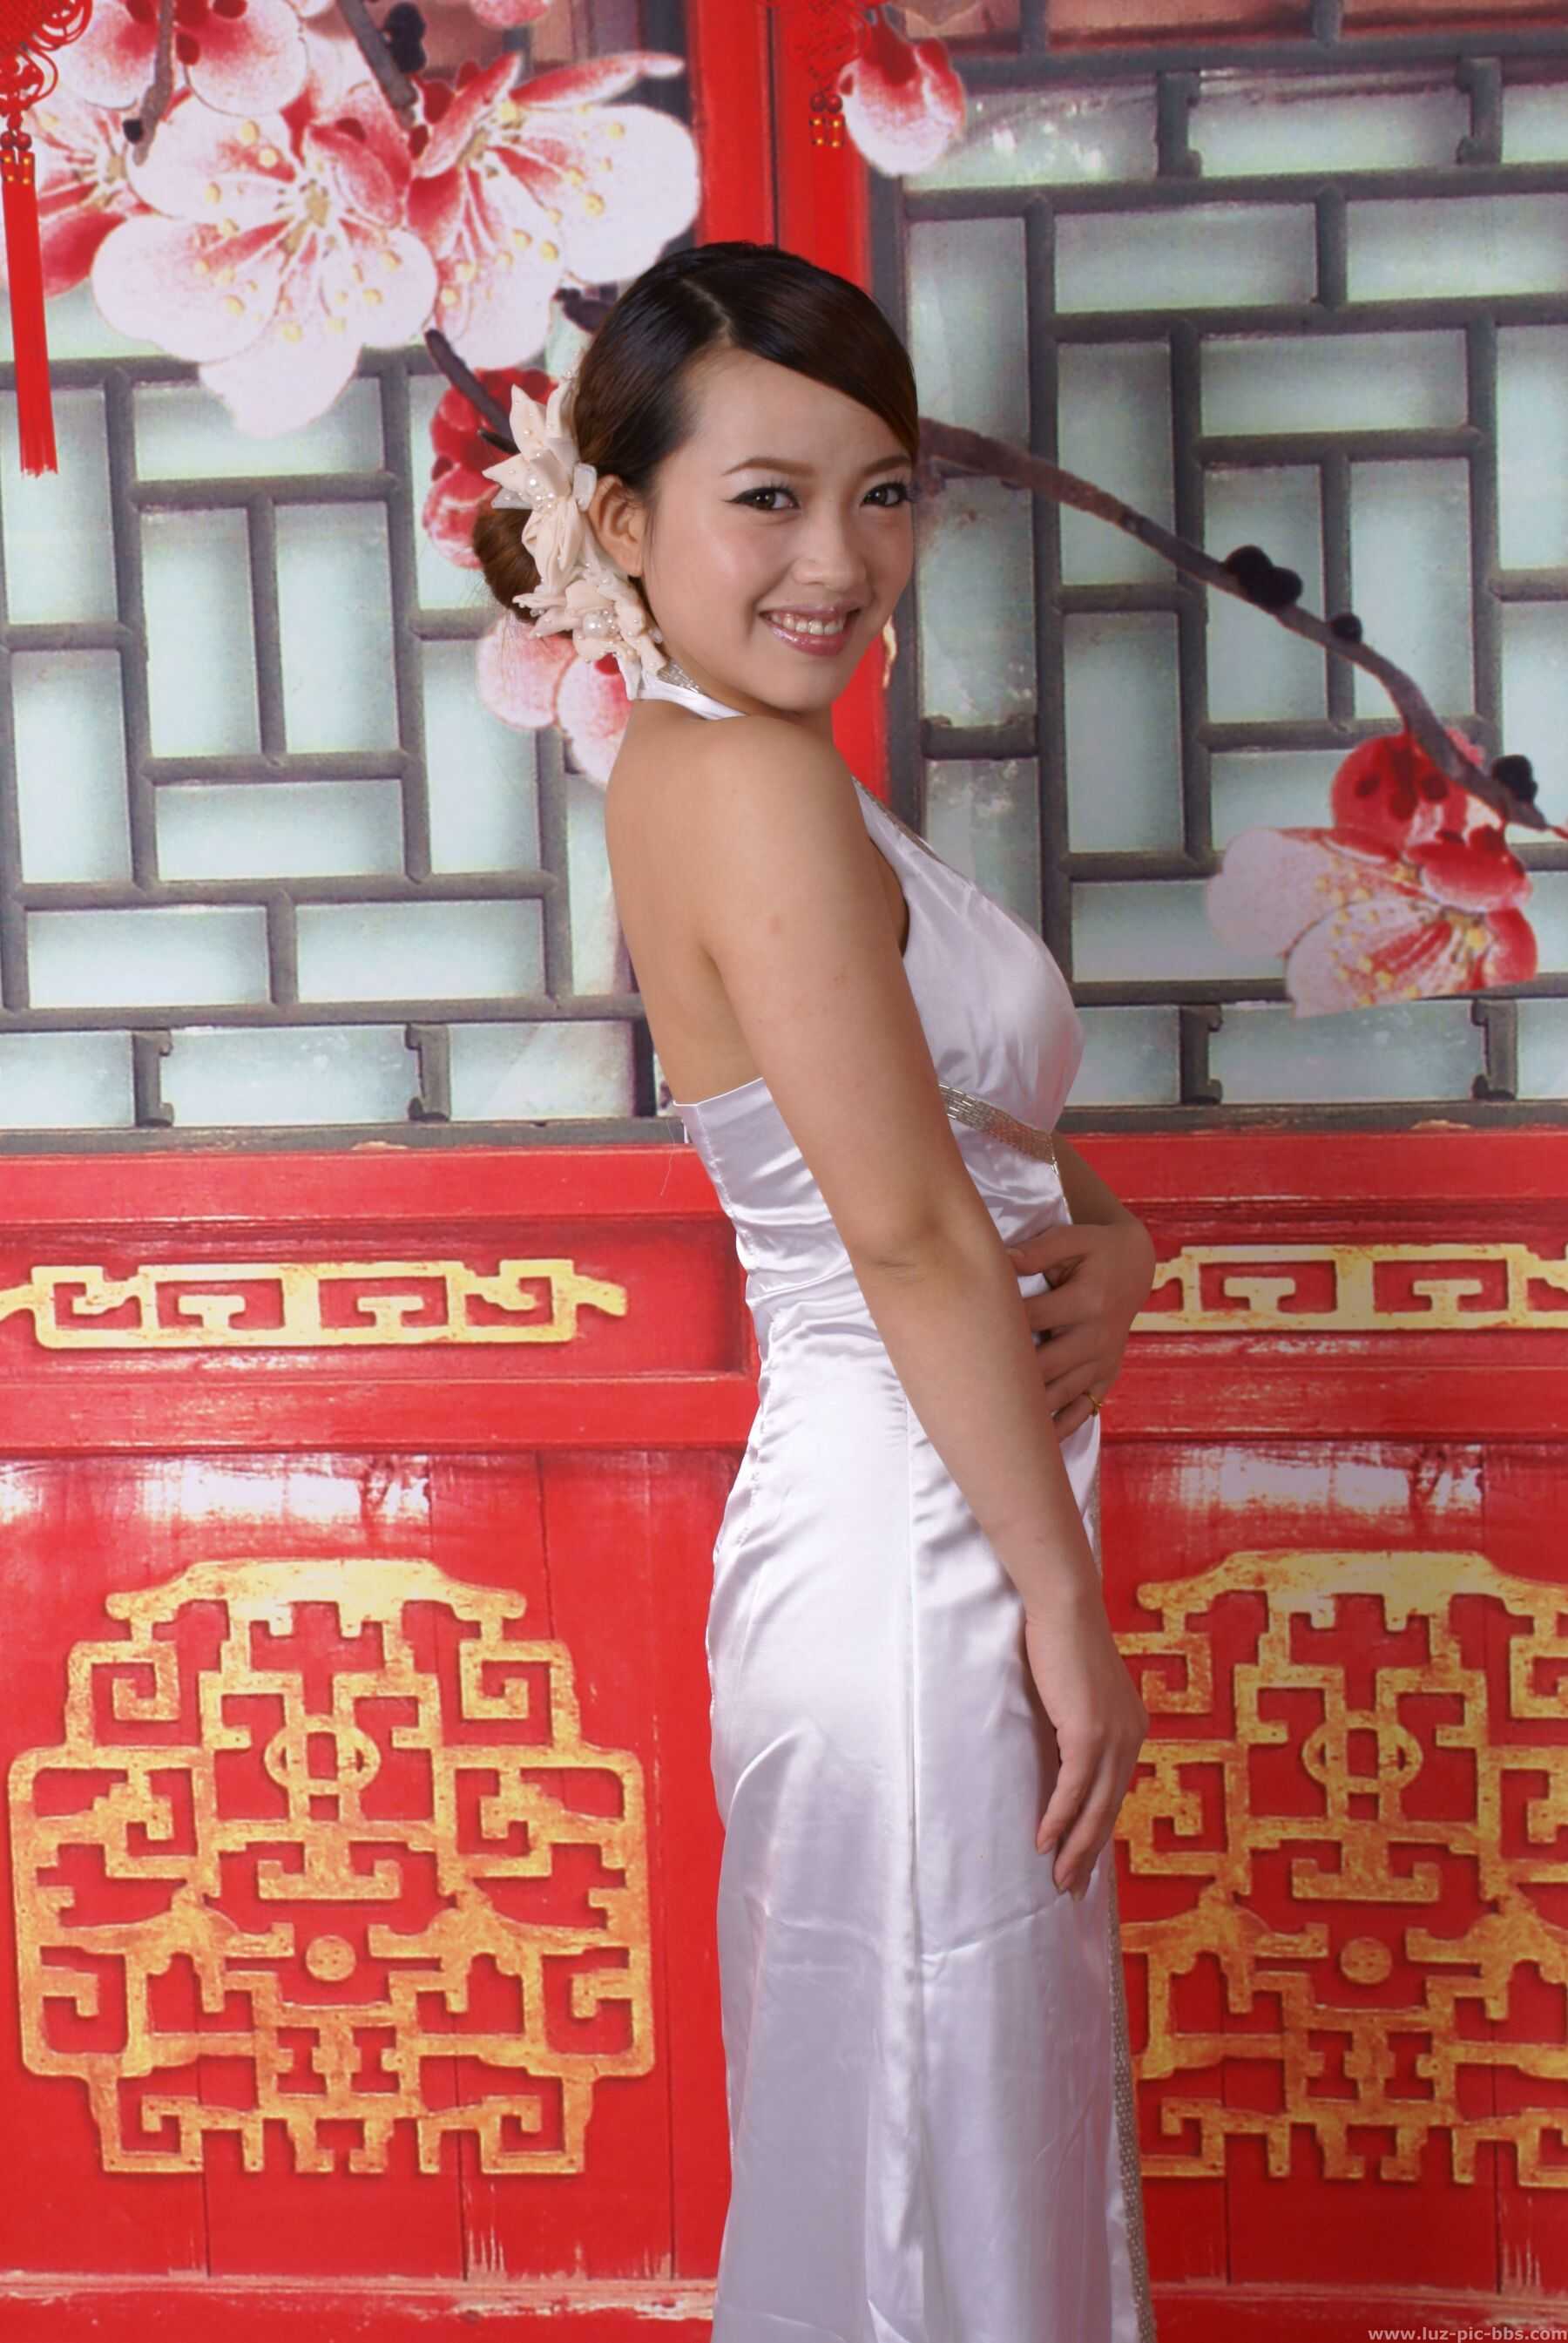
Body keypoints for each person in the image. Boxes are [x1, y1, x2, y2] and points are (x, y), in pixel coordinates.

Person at [468, 240, 1159, 2343]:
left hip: (937, 1502)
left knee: (951, 2125)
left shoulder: (757, 769)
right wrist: (1060, 1598)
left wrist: (1124, 1244)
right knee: (924, 2144)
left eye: (880, 495)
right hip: (915, 1546)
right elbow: (910, 1232)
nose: (837, 561)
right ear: (621, 520)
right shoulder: (741, 777)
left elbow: (972, 1139)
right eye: (765, 497)